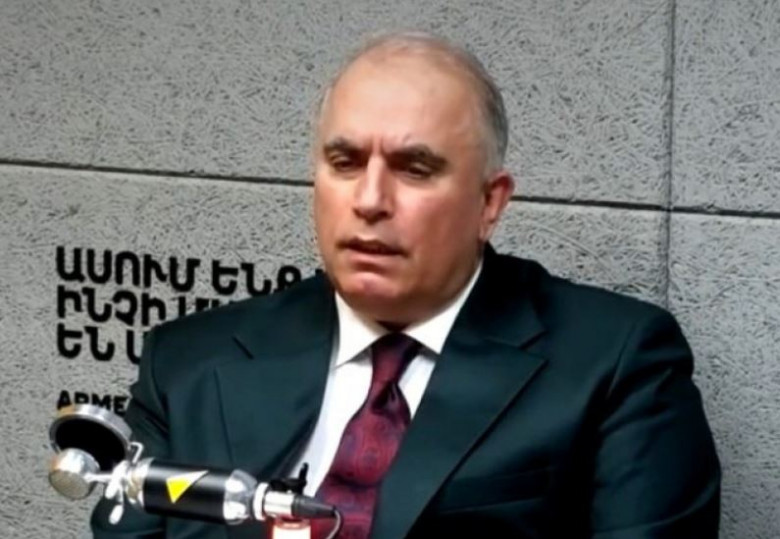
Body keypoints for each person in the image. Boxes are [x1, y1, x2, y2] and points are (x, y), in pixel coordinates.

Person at [92, 32, 720, 538]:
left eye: (415, 169)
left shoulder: (616, 364)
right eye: (344, 162)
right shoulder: (189, 364)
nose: (369, 200)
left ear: (490, 202)